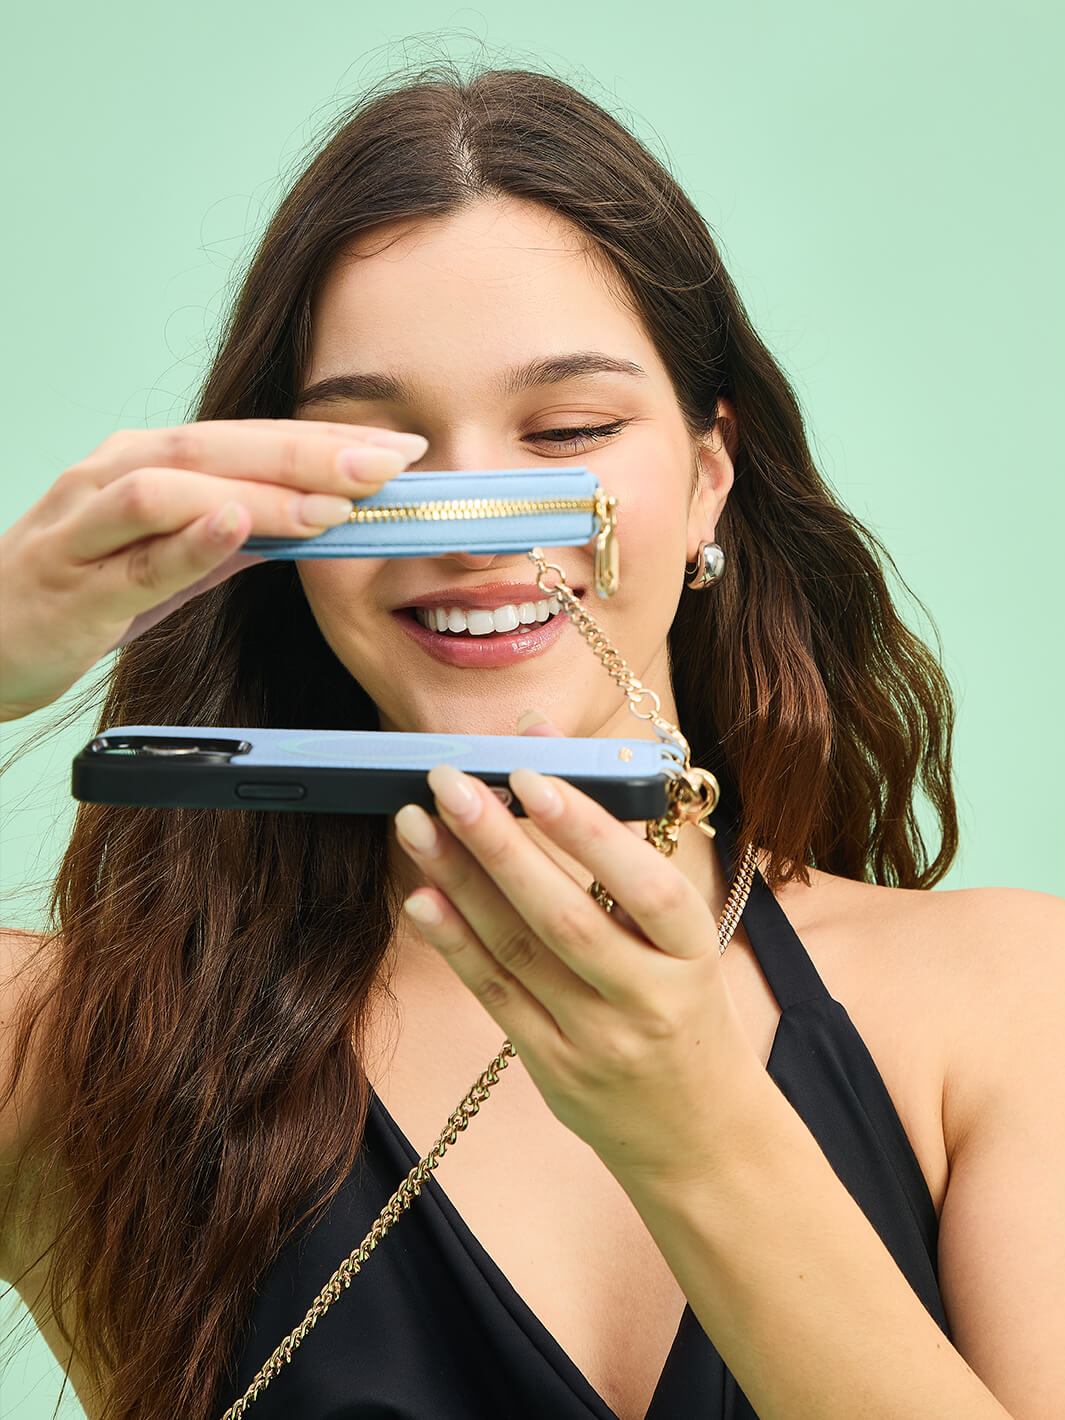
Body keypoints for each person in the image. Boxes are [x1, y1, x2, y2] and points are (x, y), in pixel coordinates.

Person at [0, 62, 1061, 1420]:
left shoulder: (1005, 1000)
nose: (474, 526)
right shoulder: (95, 1051)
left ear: (708, 477)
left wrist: (695, 1135)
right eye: (374, 460)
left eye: (566, 432)